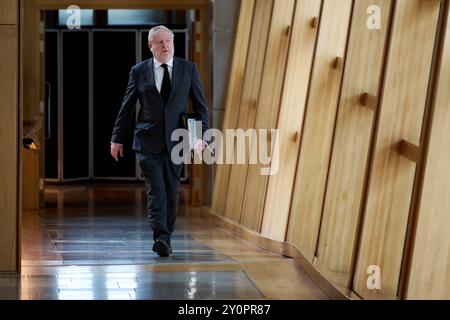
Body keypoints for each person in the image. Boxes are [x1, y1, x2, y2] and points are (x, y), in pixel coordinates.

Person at [110, 26, 210, 257]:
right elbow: (126, 108)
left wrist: (201, 137)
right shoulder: (139, 71)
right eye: (160, 42)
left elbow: (201, 108)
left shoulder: (188, 69)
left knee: (171, 190)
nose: (165, 46)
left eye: (168, 41)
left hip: (177, 142)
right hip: (147, 141)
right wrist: (117, 138)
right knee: (156, 189)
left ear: (173, 43)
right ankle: (161, 237)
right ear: (150, 46)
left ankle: (167, 236)